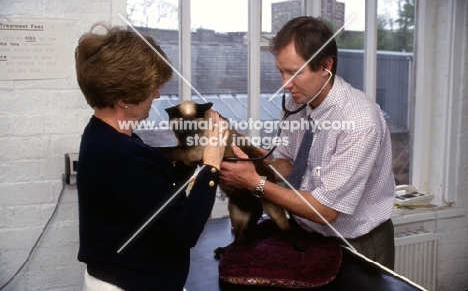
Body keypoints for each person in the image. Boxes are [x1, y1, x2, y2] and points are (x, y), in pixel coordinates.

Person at [220, 16, 396, 269]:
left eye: (293, 72)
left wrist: (254, 182)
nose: (285, 84)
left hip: (357, 243)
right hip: (309, 233)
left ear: (325, 66)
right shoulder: (297, 101)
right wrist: (258, 163)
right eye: (281, 71)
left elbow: (325, 211)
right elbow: (290, 164)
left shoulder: (359, 122)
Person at [74, 24, 227, 291]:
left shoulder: (105, 136)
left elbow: (149, 196)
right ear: (124, 98)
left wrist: (190, 162)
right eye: (151, 88)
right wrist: (211, 165)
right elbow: (184, 230)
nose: (157, 94)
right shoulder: (122, 155)